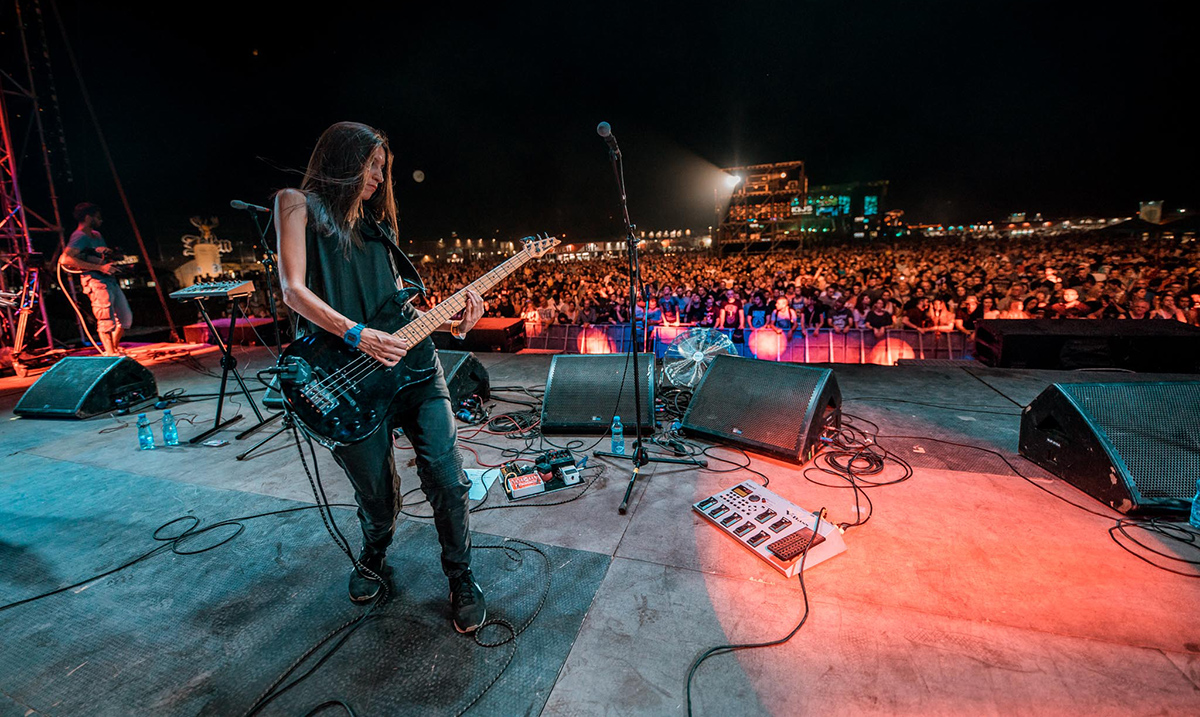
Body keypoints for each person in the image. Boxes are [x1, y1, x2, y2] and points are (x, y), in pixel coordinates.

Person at [275, 122, 487, 632]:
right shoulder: (295, 203)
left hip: (416, 370)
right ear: (341, 160)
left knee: (447, 479)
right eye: (370, 165)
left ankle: (461, 577)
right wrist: (356, 334)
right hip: (345, 380)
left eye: (382, 168)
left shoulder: (380, 228)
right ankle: (373, 555)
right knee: (377, 495)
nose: (377, 176)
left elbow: (399, 308)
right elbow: (292, 289)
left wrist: (454, 321)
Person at [62, 203, 133, 356]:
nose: (101, 220)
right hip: (96, 282)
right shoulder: (79, 236)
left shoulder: (97, 235)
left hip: (109, 280)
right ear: (89, 217)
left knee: (125, 319)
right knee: (106, 319)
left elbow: (97, 256)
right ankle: (110, 352)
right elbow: (65, 259)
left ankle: (113, 349)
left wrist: (111, 257)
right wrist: (100, 268)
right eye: (98, 217)